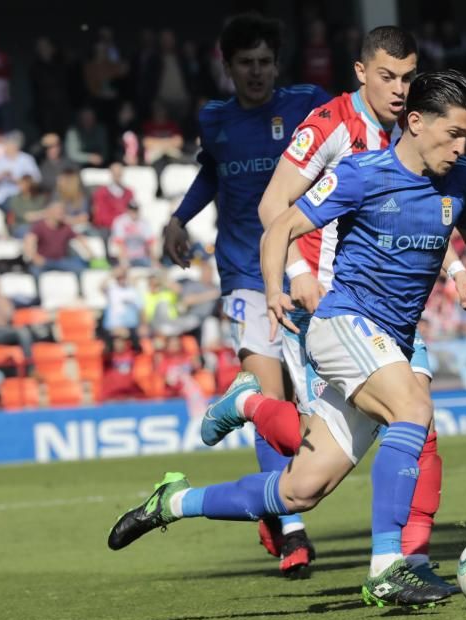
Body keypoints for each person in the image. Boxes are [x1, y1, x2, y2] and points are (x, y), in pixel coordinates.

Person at [108, 70, 466, 609]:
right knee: (413, 407)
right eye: (453, 133)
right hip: (344, 325)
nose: (461, 146)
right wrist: (274, 287)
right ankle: (390, 567)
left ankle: (173, 502)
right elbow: (281, 224)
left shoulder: (462, 179)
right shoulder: (362, 174)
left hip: (391, 340)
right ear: (415, 121)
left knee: (299, 489)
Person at [251, 26, 466, 588]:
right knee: (339, 439)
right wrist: (299, 274)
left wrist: (456, 270)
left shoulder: (423, 135)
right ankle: (254, 408)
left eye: (409, 77)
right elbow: (273, 206)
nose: (402, 88)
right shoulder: (331, 127)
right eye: (389, 76)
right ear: (362, 72)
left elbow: (425, 210)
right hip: (334, 301)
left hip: (393, 304)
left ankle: (411, 560)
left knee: (413, 418)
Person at [159, 14, 330, 576]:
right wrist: (179, 219)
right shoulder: (214, 119)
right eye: (245, 63)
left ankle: (270, 499)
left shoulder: (309, 104)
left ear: (276, 65)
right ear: (227, 67)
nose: (256, 73)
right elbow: (214, 172)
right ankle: (292, 531)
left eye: (264, 62)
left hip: (306, 268)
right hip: (244, 277)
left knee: (309, 404)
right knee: (265, 395)